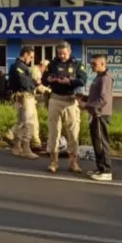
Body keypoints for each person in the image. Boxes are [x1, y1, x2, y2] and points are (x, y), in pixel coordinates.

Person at [42, 41, 86, 174]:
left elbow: (83, 79)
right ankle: (53, 162)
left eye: (64, 53)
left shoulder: (77, 64)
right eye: (59, 53)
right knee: (54, 132)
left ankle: (73, 162)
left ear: (70, 51)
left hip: (70, 101)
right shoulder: (52, 63)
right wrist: (49, 79)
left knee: (73, 132)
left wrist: (70, 81)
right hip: (55, 99)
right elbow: (43, 79)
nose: (62, 56)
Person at [84, 53, 115, 181]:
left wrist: (87, 105)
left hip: (100, 114)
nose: (92, 66)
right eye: (91, 64)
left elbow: (103, 99)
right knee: (97, 142)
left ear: (103, 64)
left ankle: (106, 170)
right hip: (95, 114)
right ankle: (100, 167)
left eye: (94, 64)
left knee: (102, 143)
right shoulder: (99, 77)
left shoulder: (106, 78)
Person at [7, 47, 39, 159]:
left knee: (21, 122)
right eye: (30, 57)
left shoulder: (19, 66)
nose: (31, 59)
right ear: (25, 54)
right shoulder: (19, 67)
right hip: (25, 97)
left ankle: (17, 146)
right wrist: (35, 83)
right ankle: (26, 148)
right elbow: (24, 82)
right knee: (29, 123)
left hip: (21, 97)